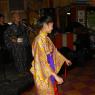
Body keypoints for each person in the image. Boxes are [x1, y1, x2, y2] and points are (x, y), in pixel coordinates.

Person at [30, 16, 72, 95]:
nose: (52, 28)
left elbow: (55, 51)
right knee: (46, 91)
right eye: (51, 26)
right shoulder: (38, 41)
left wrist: (65, 59)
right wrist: (55, 76)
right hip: (43, 71)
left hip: (50, 67)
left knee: (52, 88)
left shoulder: (47, 39)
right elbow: (42, 62)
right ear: (45, 25)